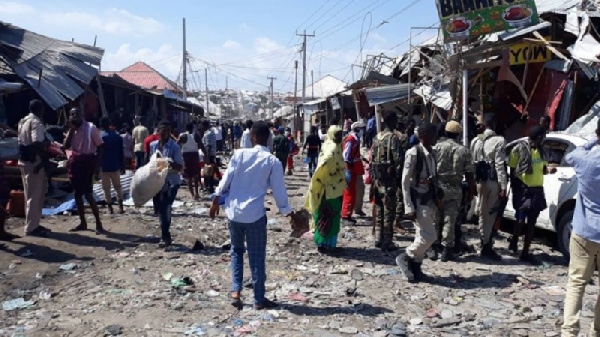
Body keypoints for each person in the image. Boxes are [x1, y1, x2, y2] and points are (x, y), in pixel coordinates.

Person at [210, 121, 300, 310]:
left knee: (236, 251)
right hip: (255, 216)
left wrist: (215, 200)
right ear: (268, 138)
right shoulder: (272, 161)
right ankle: (258, 298)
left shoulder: (239, 155)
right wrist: (289, 213)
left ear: (252, 137)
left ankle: (236, 291)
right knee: (257, 256)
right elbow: (279, 192)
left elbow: (226, 179)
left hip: (234, 213)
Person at [561, 119, 600, 336]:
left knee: (576, 283)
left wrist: (593, 139)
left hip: (584, 231)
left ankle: (570, 332)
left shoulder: (584, 158)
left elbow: (569, 156)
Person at [397, 122, 441, 283]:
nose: (436, 137)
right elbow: (405, 181)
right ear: (423, 137)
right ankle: (406, 256)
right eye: (433, 135)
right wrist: (408, 206)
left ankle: (416, 268)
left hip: (429, 199)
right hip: (418, 201)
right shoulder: (414, 153)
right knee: (430, 236)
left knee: (421, 235)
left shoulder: (431, 153)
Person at [508, 125, 555, 264]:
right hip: (523, 190)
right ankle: (515, 239)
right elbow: (512, 169)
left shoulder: (542, 151)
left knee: (532, 223)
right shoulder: (519, 149)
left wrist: (549, 171)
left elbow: (543, 169)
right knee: (520, 220)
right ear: (539, 137)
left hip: (537, 191)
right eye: (543, 137)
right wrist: (515, 188)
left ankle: (525, 252)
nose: (544, 140)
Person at [431, 121, 475, 262]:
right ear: (458, 134)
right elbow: (469, 174)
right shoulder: (463, 150)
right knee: (450, 219)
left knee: (436, 218)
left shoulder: (436, 148)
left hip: (437, 187)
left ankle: (433, 246)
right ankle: (446, 250)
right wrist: (472, 191)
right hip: (455, 188)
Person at [469, 115, 508, 260]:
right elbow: (499, 165)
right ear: (494, 125)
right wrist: (503, 186)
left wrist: (472, 182)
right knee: (491, 214)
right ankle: (486, 245)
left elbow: (472, 162)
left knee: (481, 211)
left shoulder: (475, 141)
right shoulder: (499, 141)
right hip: (492, 180)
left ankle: (482, 239)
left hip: (479, 180)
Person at [305, 125, 346, 253]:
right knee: (330, 215)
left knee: (323, 215)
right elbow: (327, 161)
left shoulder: (328, 144)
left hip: (328, 187)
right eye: (337, 135)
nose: (340, 137)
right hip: (331, 188)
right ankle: (327, 244)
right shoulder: (333, 149)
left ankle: (322, 242)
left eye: (341, 134)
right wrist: (331, 175)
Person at [64, 108, 105, 234]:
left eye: (77, 114)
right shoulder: (72, 130)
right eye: (72, 115)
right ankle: (83, 222)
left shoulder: (91, 128)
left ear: (82, 115)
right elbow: (65, 146)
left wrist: (97, 166)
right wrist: (71, 130)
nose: (75, 116)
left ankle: (98, 223)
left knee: (88, 194)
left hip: (88, 163)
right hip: (76, 163)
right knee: (77, 193)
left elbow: (101, 147)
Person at [371, 112, 404, 251]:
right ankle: (387, 241)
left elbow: (372, 156)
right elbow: (399, 159)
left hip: (376, 178)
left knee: (379, 208)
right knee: (389, 210)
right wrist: (399, 177)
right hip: (388, 179)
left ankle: (378, 238)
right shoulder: (393, 138)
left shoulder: (377, 137)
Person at [18, 100, 50, 237]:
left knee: (29, 194)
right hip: (35, 162)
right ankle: (31, 228)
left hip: (24, 161)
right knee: (35, 195)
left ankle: (33, 223)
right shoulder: (36, 122)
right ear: (40, 109)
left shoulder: (23, 121)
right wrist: (46, 147)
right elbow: (37, 142)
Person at [150, 120, 183, 248]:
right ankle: (165, 231)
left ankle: (165, 235)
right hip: (157, 182)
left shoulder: (174, 147)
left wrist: (168, 163)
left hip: (171, 182)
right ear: (158, 131)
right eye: (163, 131)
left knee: (165, 206)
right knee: (160, 208)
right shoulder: (153, 145)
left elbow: (179, 167)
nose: (165, 134)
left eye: (168, 131)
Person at [100, 117, 124, 215]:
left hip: (104, 166)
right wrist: (122, 165)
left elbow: (98, 153)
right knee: (118, 187)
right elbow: (121, 153)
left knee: (106, 188)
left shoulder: (100, 137)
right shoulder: (117, 136)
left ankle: (110, 209)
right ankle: (121, 208)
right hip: (115, 165)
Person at [341, 122, 365, 225]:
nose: (363, 131)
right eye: (361, 129)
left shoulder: (355, 139)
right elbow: (346, 157)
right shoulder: (351, 140)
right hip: (349, 169)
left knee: (352, 192)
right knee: (349, 192)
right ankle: (345, 216)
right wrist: (347, 172)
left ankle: (348, 215)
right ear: (356, 129)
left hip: (353, 170)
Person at [178, 122, 204, 199]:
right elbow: (201, 146)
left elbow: (177, 145)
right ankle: (196, 193)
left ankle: (192, 194)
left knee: (188, 177)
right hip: (195, 156)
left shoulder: (182, 136)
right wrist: (206, 156)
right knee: (196, 175)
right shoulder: (196, 136)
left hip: (186, 156)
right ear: (193, 128)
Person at [202, 120, 217, 193]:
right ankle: (209, 187)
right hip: (212, 154)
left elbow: (208, 146)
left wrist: (207, 157)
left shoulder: (208, 134)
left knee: (208, 172)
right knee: (211, 172)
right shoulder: (212, 132)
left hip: (209, 155)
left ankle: (209, 188)